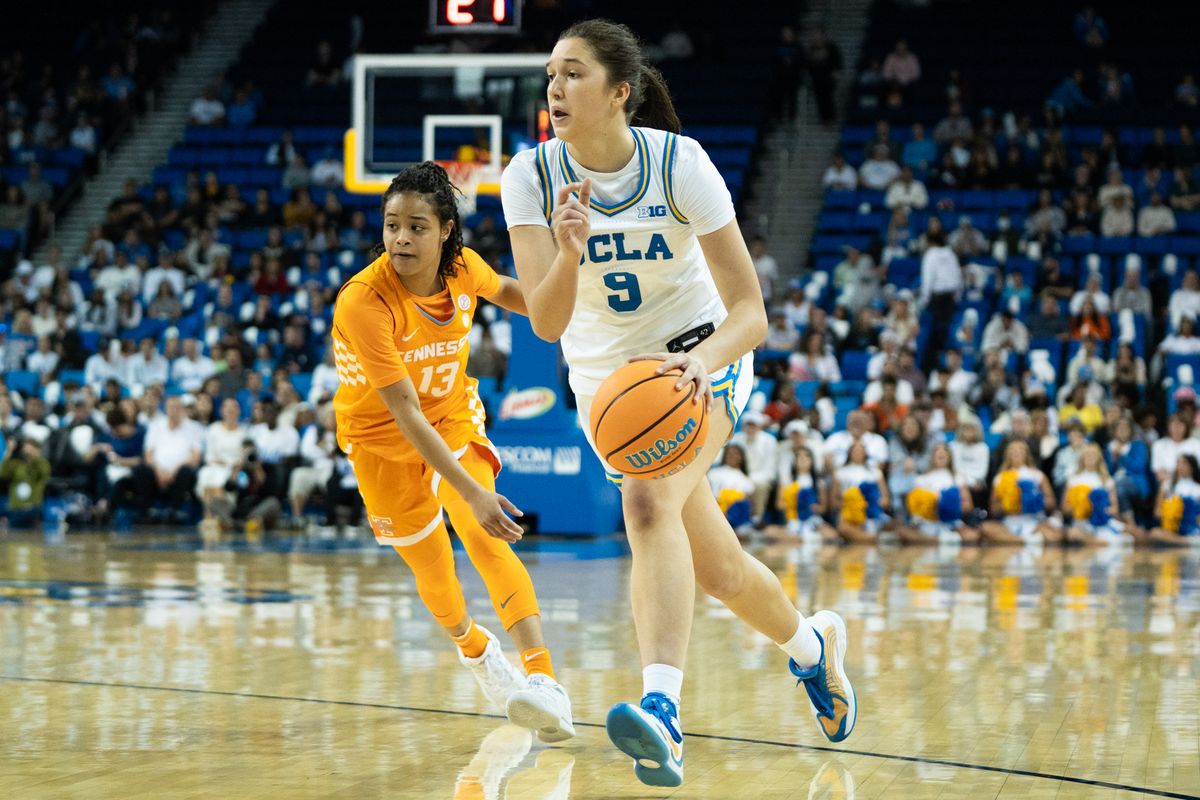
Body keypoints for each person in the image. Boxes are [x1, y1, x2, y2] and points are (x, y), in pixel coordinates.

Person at [501, 19, 855, 788]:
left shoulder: (678, 164)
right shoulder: (528, 178)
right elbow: (547, 322)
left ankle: (662, 711)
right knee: (718, 570)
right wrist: (567, 251)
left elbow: (751, 312)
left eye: (573, 74)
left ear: (620, 92)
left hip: (703, 355)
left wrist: (698, 363)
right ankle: (812, 649)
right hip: (606, 385)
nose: (555, 89)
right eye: (551, 76)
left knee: (647, 502)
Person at [330, 162, 574, 743]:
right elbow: (404, 413)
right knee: (434, 570)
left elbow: (529, 304)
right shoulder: (363, 301)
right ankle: (476, 650)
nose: (401, 239)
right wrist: (473, 490)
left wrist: (572, 290)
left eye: (416, 226)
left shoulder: (464, 270)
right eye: (392, 226)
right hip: (380, 439)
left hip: (452, 415)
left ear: (445, 232)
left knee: (483, 531)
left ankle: (543, 682)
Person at [985, 440, 1062, 545]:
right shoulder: (999, 477)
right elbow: (993, 509)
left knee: (1056, 535)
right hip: (1009, 522)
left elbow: (1052, 502)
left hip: (1034, 521)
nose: (1017, 453)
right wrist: (1009, 505)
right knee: (985, 528)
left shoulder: (1037, 475)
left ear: (1026, 454)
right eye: (1013, 451)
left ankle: (1014, 541)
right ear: (1007, 455)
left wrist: (1035, 502)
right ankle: (1025, 540)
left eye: (1020, 450)